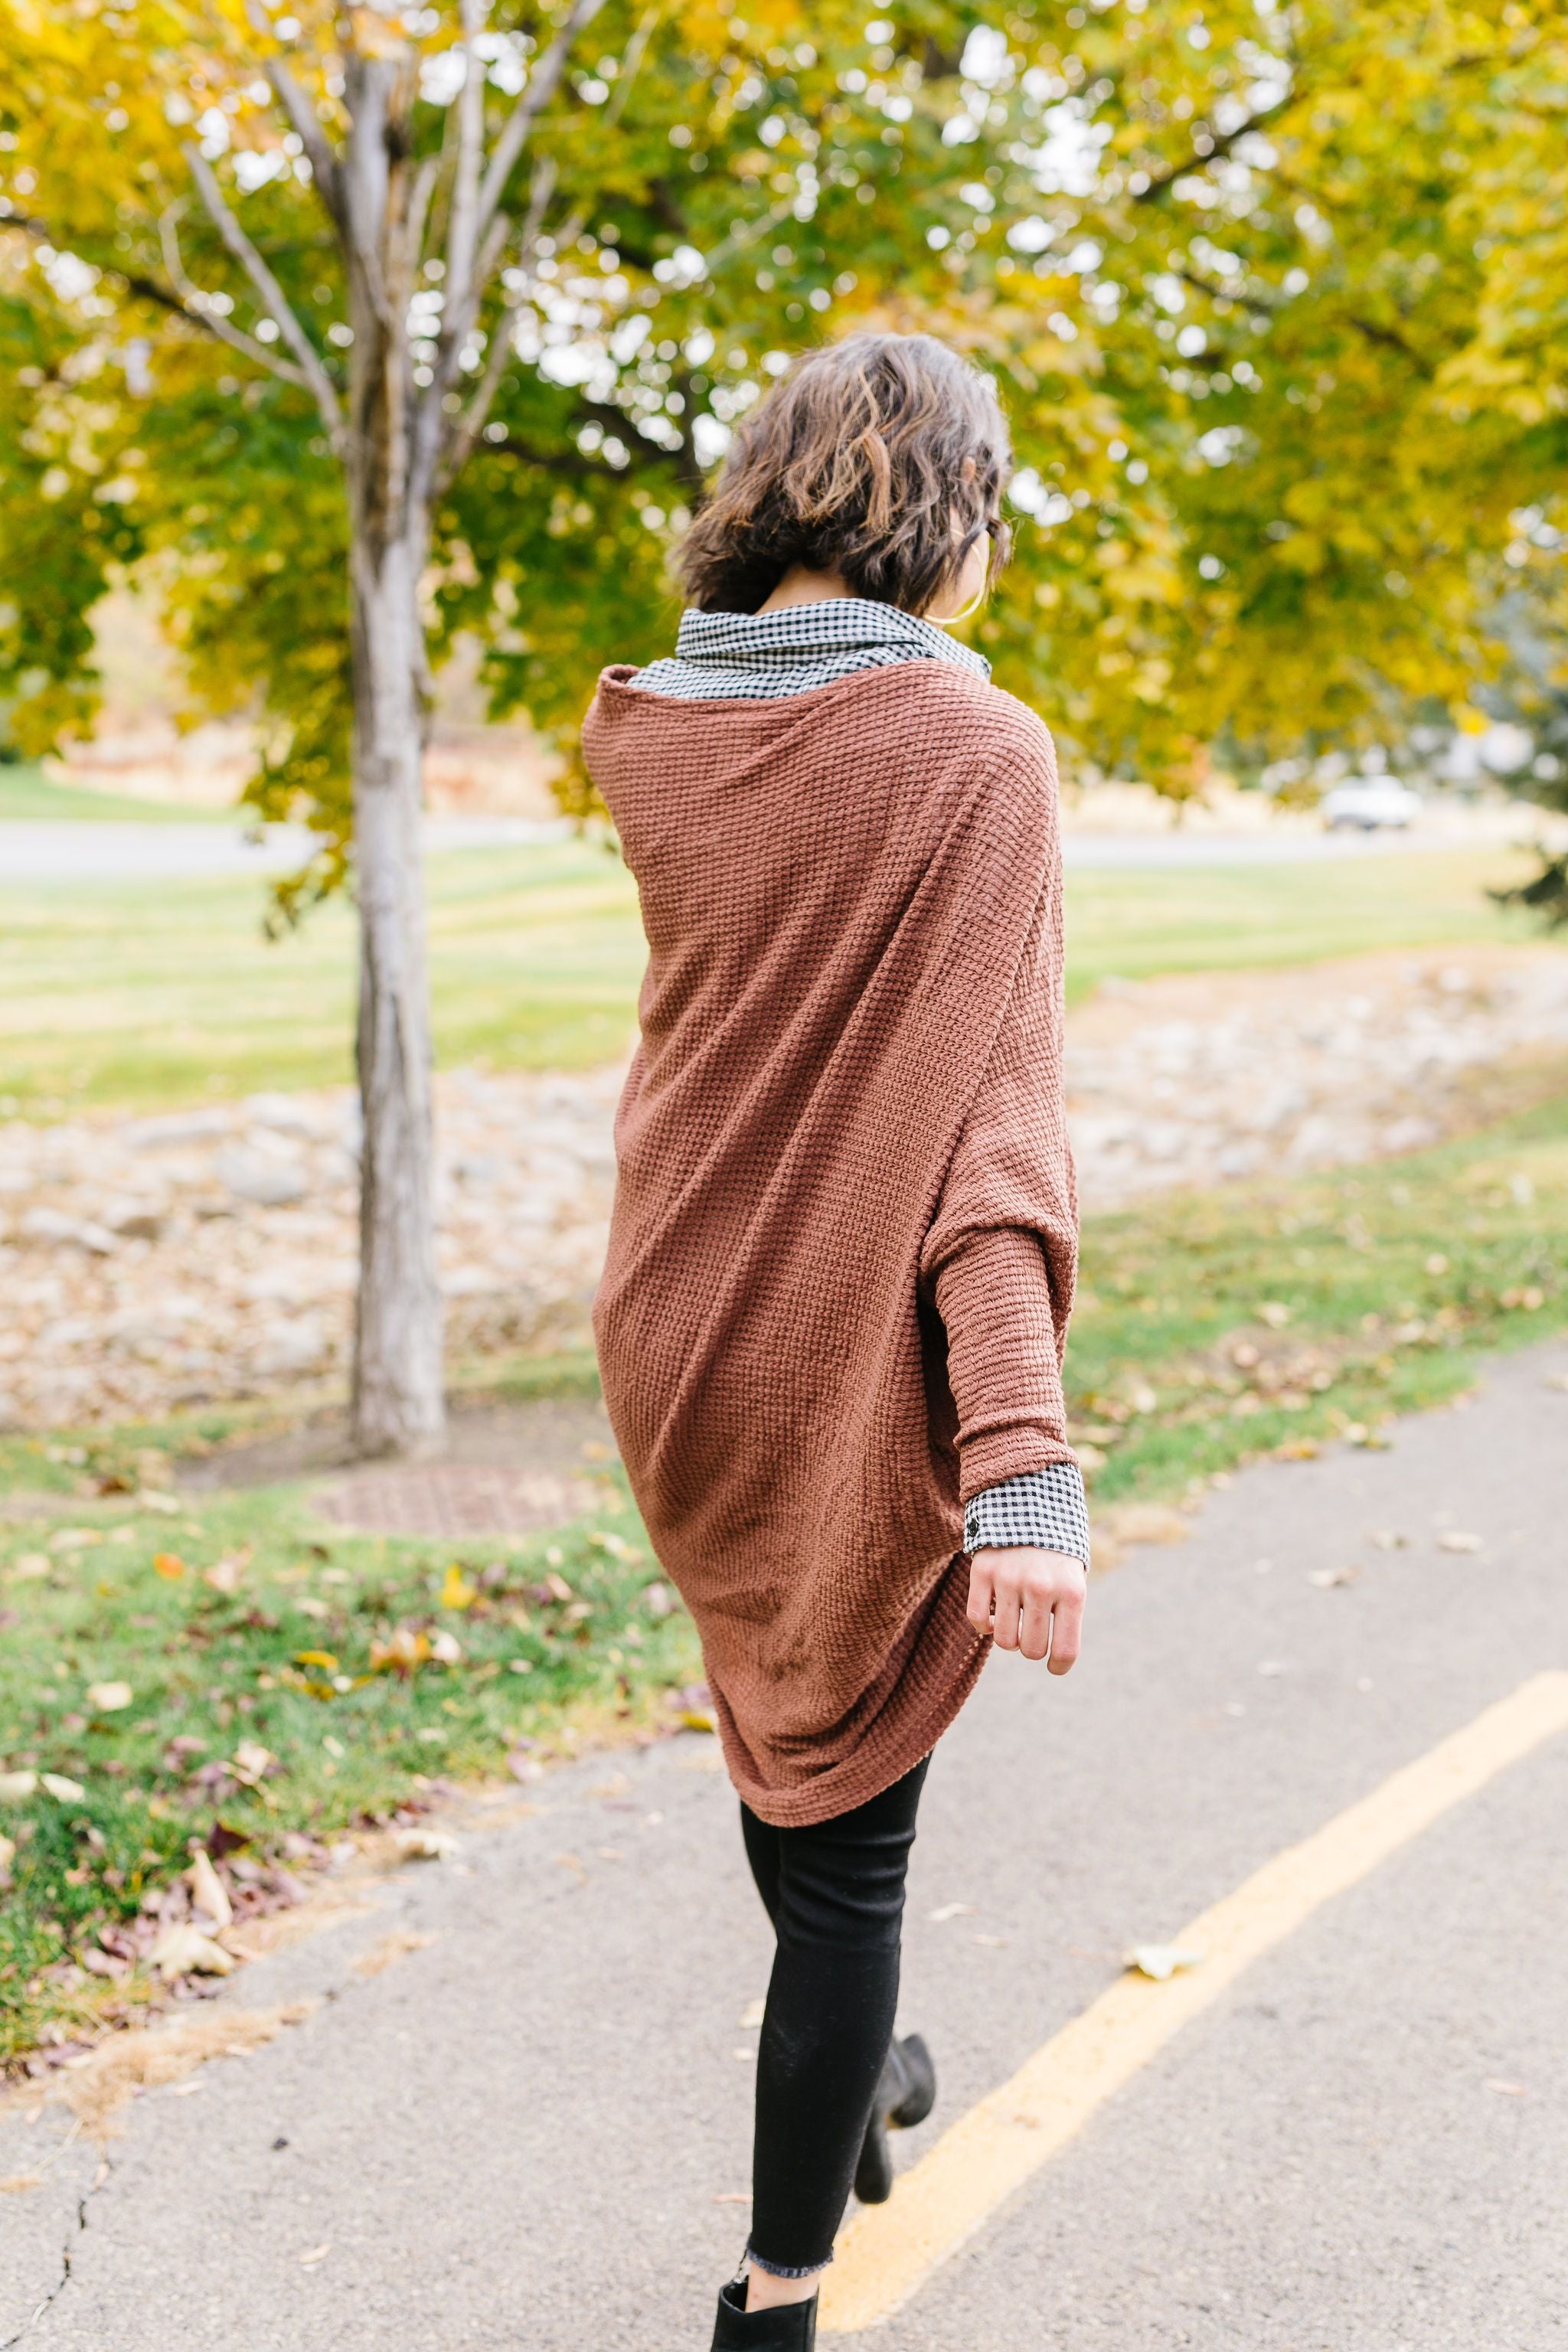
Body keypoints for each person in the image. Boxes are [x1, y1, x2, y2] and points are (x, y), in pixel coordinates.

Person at [583, 332, 1088, 2350]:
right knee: (851, 1851)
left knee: (802, 1764)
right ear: (943, 507)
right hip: (847, 1343)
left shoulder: (648, 728)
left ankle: (859, 2069)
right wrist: (1020, 1460)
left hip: (669, 1332)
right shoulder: (976, 759)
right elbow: (994, 1140)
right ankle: (776, 2303)